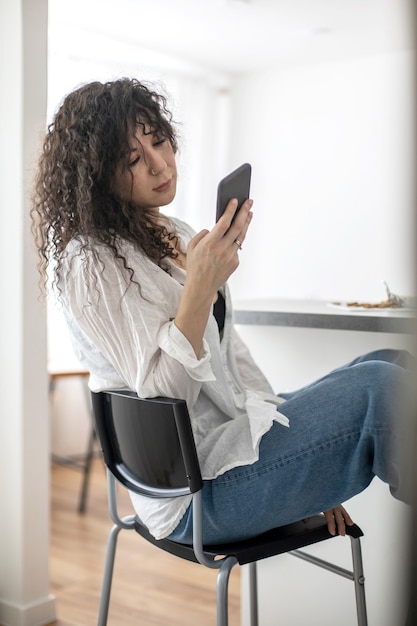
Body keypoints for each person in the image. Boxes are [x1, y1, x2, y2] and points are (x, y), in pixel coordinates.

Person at [31, 77, 413, 545]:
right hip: (194, 491)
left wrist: (312, 453)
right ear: (98, 176)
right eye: (133, 159)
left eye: (158, 141)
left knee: (392, 362)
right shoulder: (90, 261)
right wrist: (199, 289)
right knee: (383, 388)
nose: (159, 164)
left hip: (232, 440)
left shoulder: (175, 230)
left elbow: (232, 358)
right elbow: (162, 400)